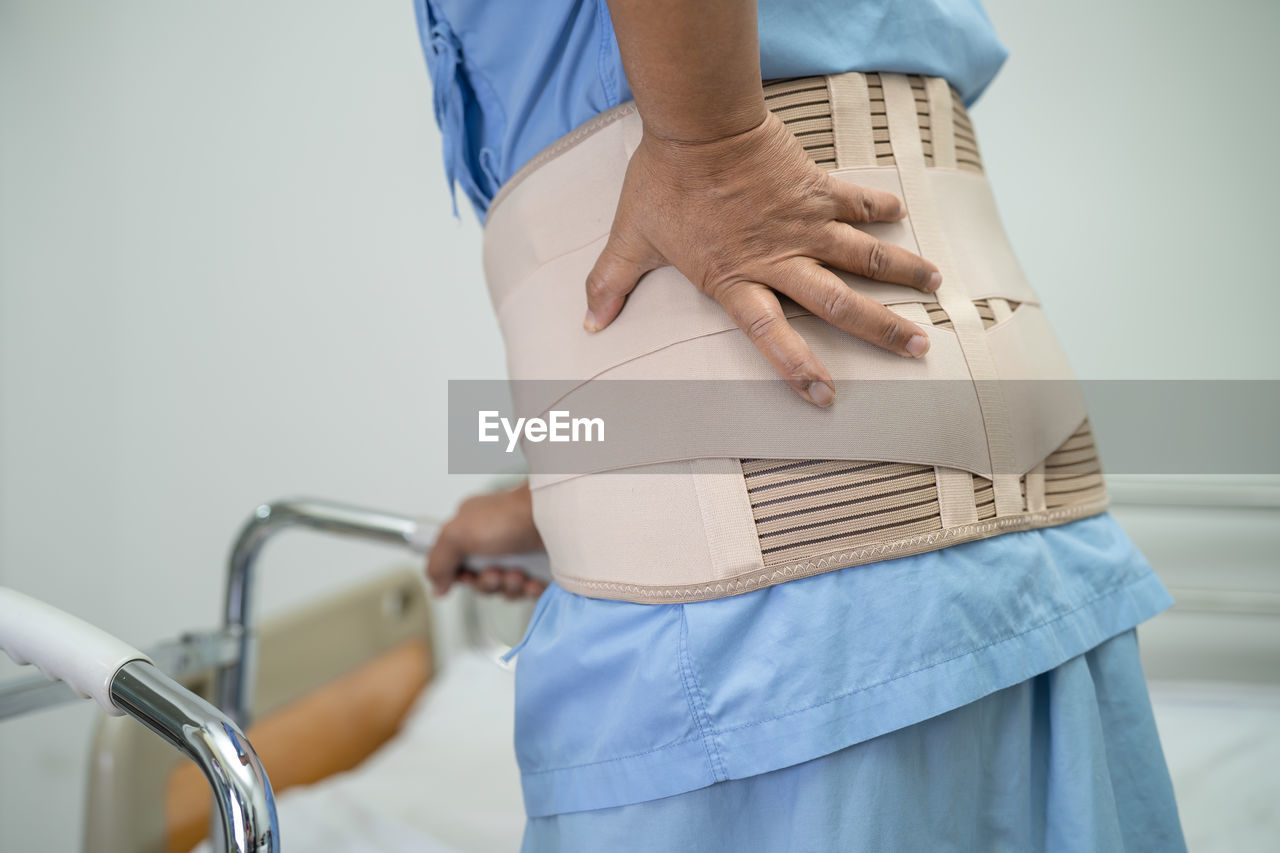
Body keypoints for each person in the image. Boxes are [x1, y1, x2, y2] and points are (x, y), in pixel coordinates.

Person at [418, 1, 1187, 850]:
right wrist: (595, 486)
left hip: (789, 626)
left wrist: (708, 146)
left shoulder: (704, 136)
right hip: (996, 560)